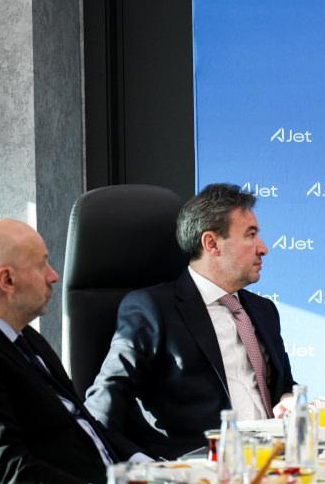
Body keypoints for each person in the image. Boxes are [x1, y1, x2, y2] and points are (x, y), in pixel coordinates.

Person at [85, 183, 294, 458]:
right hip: (206, 463)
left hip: (277, 458)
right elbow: (109, 395)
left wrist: (289, 401)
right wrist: (117, 466)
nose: (263, 248)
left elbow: (284, 386)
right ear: (211, 244)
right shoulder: (153, 309)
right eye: (250, 235)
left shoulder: (264, 310)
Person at [0, 218, 142, 484]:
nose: (53, 276)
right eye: (42, 265)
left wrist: (149, 468)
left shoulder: (26, 337)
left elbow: (81, 424)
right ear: (7, 280)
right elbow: (4, 467)